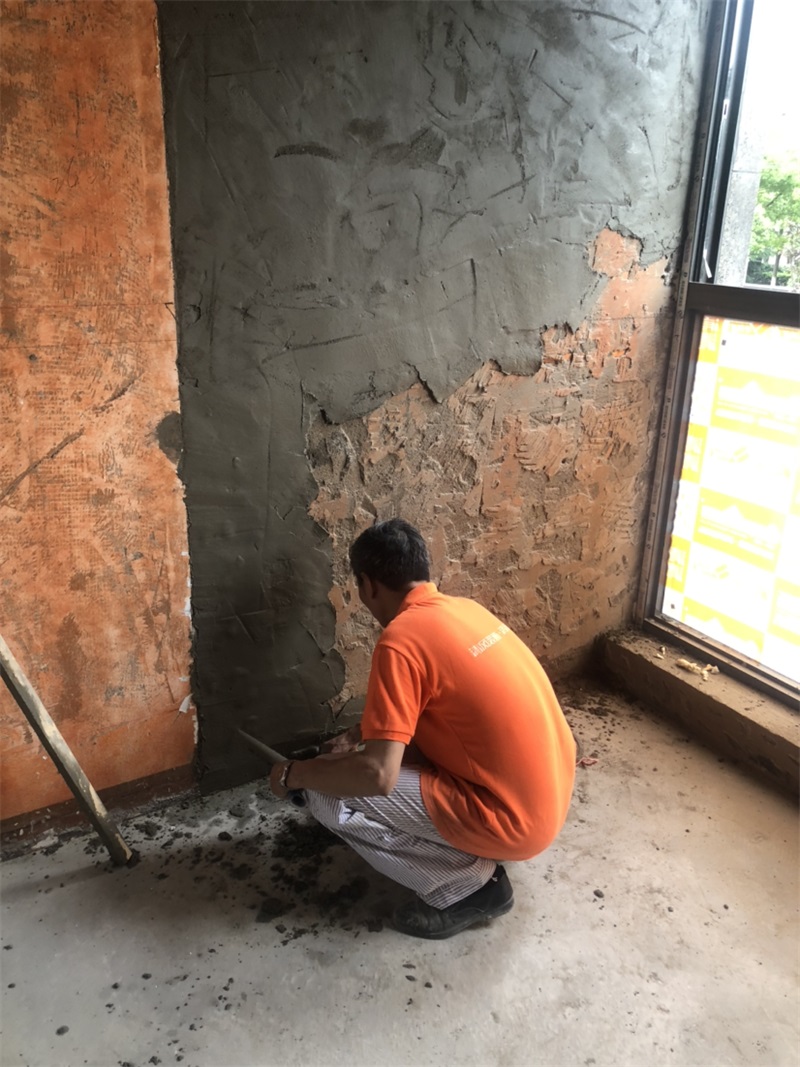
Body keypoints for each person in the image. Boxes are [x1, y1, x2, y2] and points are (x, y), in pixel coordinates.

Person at [269, 519, 576, 939]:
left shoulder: (400, 641)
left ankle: (469, 888)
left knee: (325, 791)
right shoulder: (466, 610)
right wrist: (359, 735)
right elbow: (436, 705)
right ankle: (473, 848)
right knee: (364, 763)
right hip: (548, 798)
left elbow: (377, 776)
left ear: (368, 585)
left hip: (515, 823)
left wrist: (295, 774)